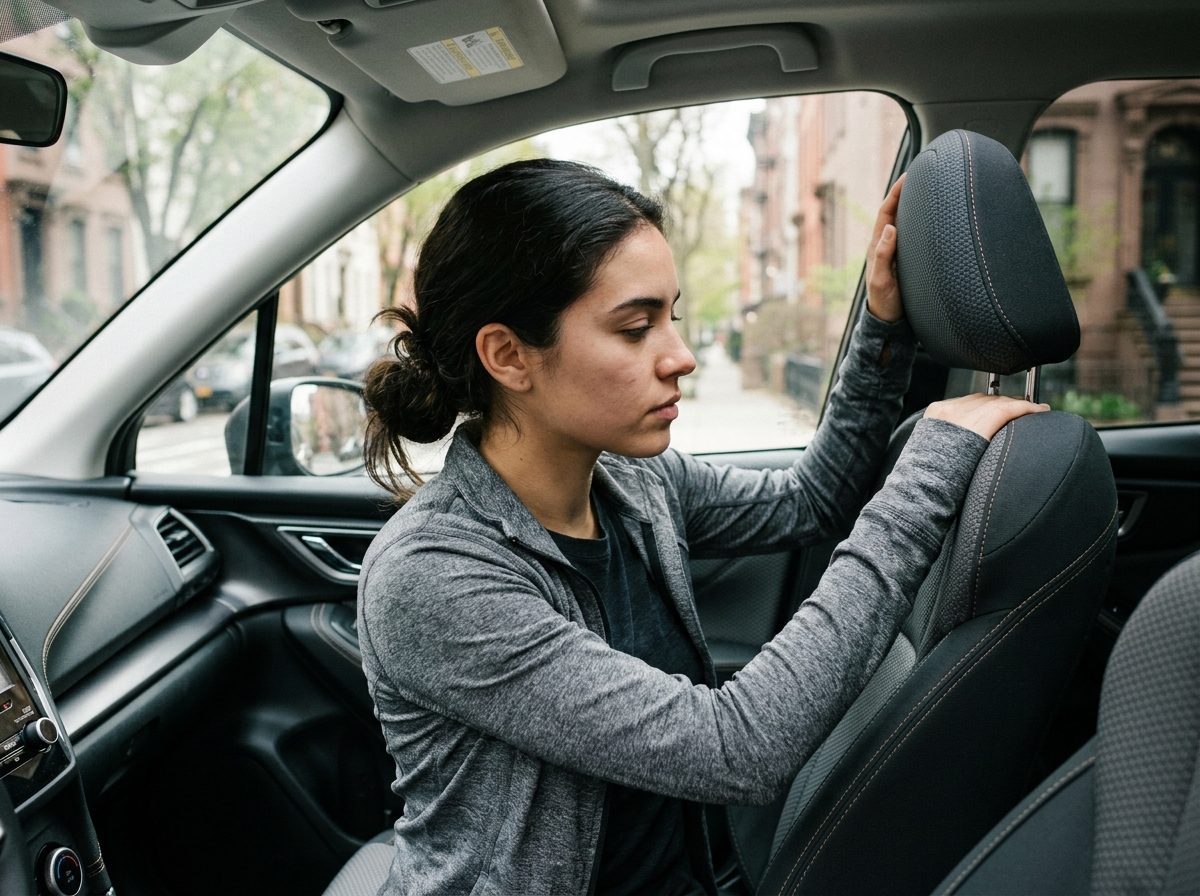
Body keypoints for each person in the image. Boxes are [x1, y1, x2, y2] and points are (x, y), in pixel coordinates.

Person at [357, 159, 1047, 896]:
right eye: (634, 327)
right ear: (508, 355)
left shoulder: (633, 479)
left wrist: (882, 329)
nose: (680, 357)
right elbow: (735, 749)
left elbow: (810, 502)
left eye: (672, 318)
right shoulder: (433, 574)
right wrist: (932, 467)